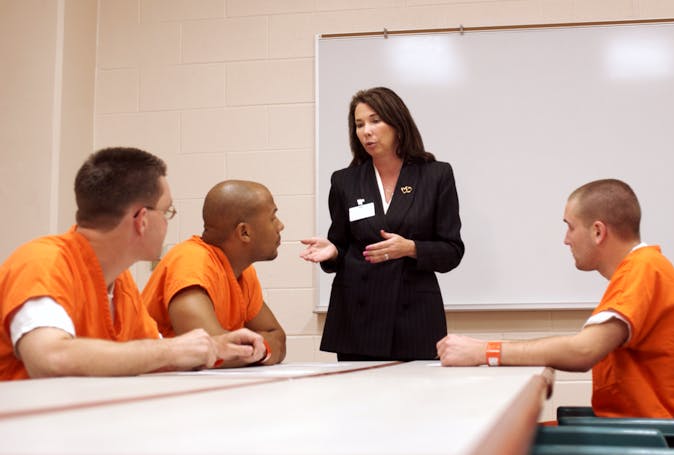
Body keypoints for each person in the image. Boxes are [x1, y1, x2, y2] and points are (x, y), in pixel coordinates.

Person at [437, 179, 674, 427]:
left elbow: (583, 351)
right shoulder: (645, 268)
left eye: (570, 227)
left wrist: (485, 351)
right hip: (646, 428)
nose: (565, 240)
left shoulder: (642, 270)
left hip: (659, 437)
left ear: (597, 232)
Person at [0, 147, 266, 381]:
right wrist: (174, 349)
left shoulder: (121, 283)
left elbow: (150, 352)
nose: (167, 223)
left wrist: (216, 347)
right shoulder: (42, 263)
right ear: (142, 220)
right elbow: (50, 359)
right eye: (167, 212)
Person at [300, 86, 465, 361]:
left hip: (414, 316)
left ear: (397, 122)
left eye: (375, 120)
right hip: (357, 314)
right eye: (359, 124)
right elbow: (340, 245)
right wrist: (333, 251)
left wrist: (410, 248)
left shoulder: (435, 175)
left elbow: (452, 251)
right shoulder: (345, 181)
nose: (366, 131)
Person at [142, 180, 286, 366]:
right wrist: (260, 348)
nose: (280, 225)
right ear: (244, 232)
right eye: (273, 217)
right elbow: (210, 352)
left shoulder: (243, 271)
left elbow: (278, 338)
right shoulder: (191, 261)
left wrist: (260, 349)